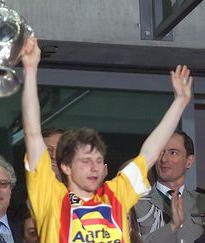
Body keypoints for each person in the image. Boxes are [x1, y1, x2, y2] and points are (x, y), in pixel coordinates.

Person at [21, 34, 193, 242]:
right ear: (65, 166)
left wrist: (180, 102)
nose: (94, 167)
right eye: (85, 161)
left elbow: (150, 153)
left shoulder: (116, 193)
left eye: (98, 161)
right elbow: (32, 133)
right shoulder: (50, 196)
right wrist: (30, 70)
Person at [134, 131, 204, 242]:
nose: (164, 159)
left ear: (189, 161)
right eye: (160, 152)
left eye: (173, 153)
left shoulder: (201, 202)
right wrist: (172, 226)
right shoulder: (136, 203)